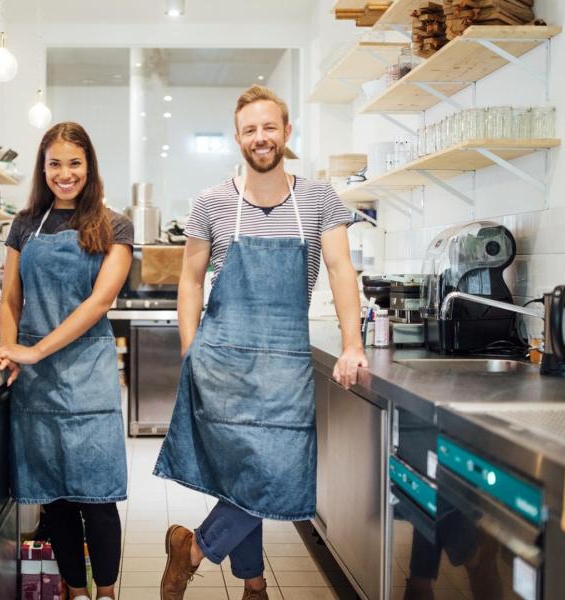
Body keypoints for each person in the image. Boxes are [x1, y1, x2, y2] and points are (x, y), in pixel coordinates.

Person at [153, 86, 368, 600]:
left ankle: (194, 547)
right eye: (250, 129)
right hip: (223, 361)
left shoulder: (319, 200)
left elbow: (341, 271)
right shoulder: (211, 202)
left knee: (276, 471)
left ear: (287, 132)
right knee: (243, 474)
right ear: (238, 138)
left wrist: (353, 342)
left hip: (285, 364)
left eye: (269, 127)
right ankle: (254, 586)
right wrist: (190, 347)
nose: (261, 137)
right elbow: (189, 278)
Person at [0, 122, 133, 600]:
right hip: (36, 380)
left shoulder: (115, 226)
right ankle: (75, 591)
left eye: (74, 163)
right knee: (58, 500)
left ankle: (105, 593)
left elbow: (99, 302)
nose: (64, 174)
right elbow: (9, 297)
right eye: (54, 163)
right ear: (42, 167)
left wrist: (34, 350)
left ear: (89, 167)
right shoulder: (25, 224)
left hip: (88, 374)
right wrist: (9, 350)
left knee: (98, 498)